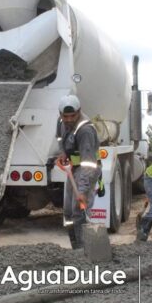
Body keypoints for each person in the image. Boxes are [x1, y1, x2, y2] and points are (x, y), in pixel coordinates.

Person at [56, 94, 101, 249]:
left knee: (78, 211)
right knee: (68, 212)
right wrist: (62, 152)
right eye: (65, 116)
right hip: (73, 170)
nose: (68, 119)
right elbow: (60, 140)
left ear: (79, 111)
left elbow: (89, 165)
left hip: (87, 171)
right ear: (60, 114)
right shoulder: (61, 122)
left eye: (72, 116)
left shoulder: (85, 131)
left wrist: (82, 190)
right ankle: (75, 247)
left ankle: (84, 250)